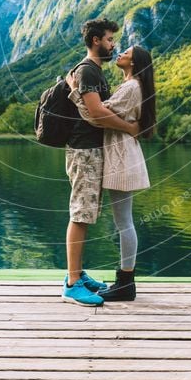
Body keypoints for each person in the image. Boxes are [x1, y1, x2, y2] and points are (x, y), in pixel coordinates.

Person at [62, 18, 140, 307]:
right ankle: (71, 284)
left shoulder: (95, 72)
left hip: (92, 150)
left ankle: (78, 274)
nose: (112, 44)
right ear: (96, 40)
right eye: (109, 39)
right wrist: (129, 128)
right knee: (80, 214)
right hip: (85, 151)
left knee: (85, 212)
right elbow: (96, 113)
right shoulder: (88, 72)